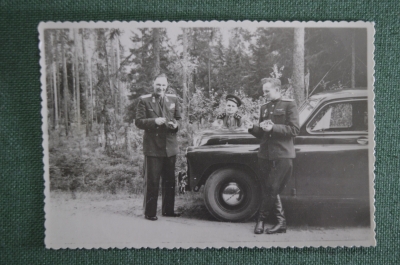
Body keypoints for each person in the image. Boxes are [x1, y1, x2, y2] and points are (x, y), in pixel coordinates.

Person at [245, 78, 299, 234]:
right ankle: (281, 223)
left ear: (277, 89)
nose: (264, 94)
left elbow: (294, 130)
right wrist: (252, 128)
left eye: (267, 91)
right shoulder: (264, 107)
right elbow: (262, 133)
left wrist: (273, 127)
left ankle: (261, 220)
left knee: (271, 187)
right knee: (268, 188)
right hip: (265, 155)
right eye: (264, 91)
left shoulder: (289, 105)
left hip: (282, 154)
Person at [135, 73, 182, 221]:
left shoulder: (173, 99)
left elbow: (179, 119)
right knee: (153, 181)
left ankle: (168, 210)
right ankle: (150, 212)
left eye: (163, 85)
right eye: (158, 85)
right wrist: (154, 121)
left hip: (170, 146)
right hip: (153, 147)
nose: (161, 88)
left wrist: (175, 125)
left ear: (167, 86)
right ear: (153, 84)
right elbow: (138, 122)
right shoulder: (144, 100)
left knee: (169, 180)